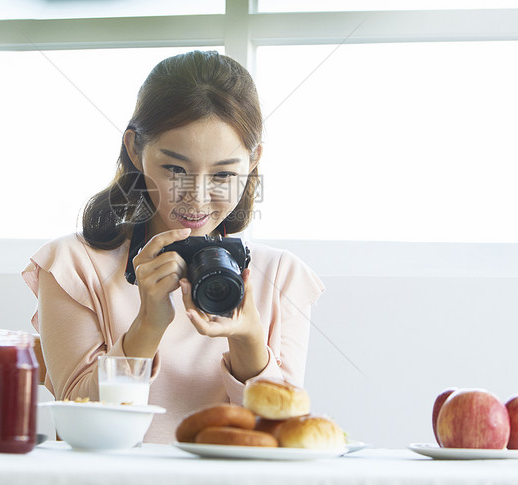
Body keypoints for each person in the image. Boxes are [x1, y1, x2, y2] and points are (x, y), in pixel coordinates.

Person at [22, 50, 324, 443]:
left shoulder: (282, 275)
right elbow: (79, 423)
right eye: (175, 169)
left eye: (223, 174)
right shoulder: (73, 265)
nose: (196, 198)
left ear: (253, 162)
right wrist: (148, 325)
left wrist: (249, 341)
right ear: (135, 149)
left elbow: (283, 437)